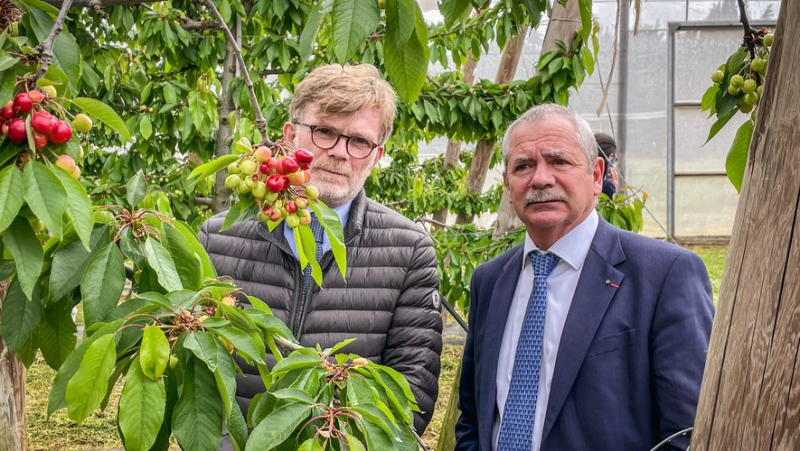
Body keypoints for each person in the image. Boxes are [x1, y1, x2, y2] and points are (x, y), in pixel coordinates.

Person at [199, 64, 443, 440]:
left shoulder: (409, 250)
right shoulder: (218, 238)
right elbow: (195, 373)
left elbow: (413, 392)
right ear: (290, 133)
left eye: (359, 141)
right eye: (324, 132)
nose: (340, 153)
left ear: (377, 156)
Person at [455, 104, 714, 450]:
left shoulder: (664, 276)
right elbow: (474, 417)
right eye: (523, 166)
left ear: (596, 176)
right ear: (506, 183)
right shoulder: (489, 281)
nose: (541, 178)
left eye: (559, 161)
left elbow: (687, 433)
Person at [594, 131, 619, 198]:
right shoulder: (607, 187)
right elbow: (613, 208)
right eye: (615, 160)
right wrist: (614, 189)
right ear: (611, 158)